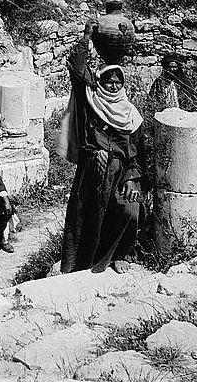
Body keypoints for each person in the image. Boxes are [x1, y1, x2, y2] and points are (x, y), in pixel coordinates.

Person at [58, 24, 151, 273]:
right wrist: (87, 37)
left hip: (120, 173)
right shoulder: (91, 100)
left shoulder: (131, 115)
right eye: (108, 81)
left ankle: (119, 254)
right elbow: (77, 68)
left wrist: (133, 180)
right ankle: (79, 264)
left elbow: (137, 153)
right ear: (100, 82)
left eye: (117, 82)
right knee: (88, 217)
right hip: (93, 169)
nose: (112, 86)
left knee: (129, 211)